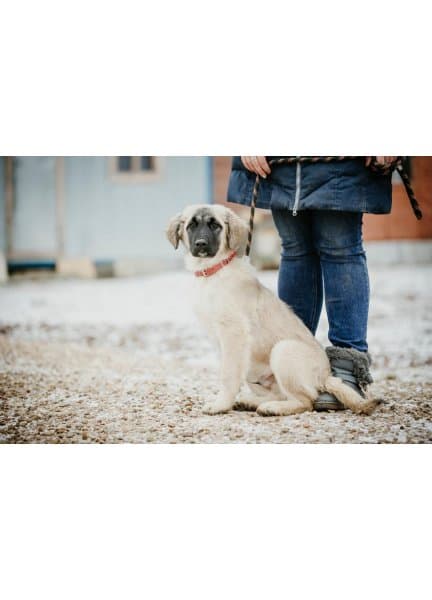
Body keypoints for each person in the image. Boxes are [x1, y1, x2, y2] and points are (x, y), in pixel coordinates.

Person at [227, 156, 395, 411]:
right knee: (295, 250)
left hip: (342, 162)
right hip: (280, 163)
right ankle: (296, 371)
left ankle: (347, 368)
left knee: (340, 248)